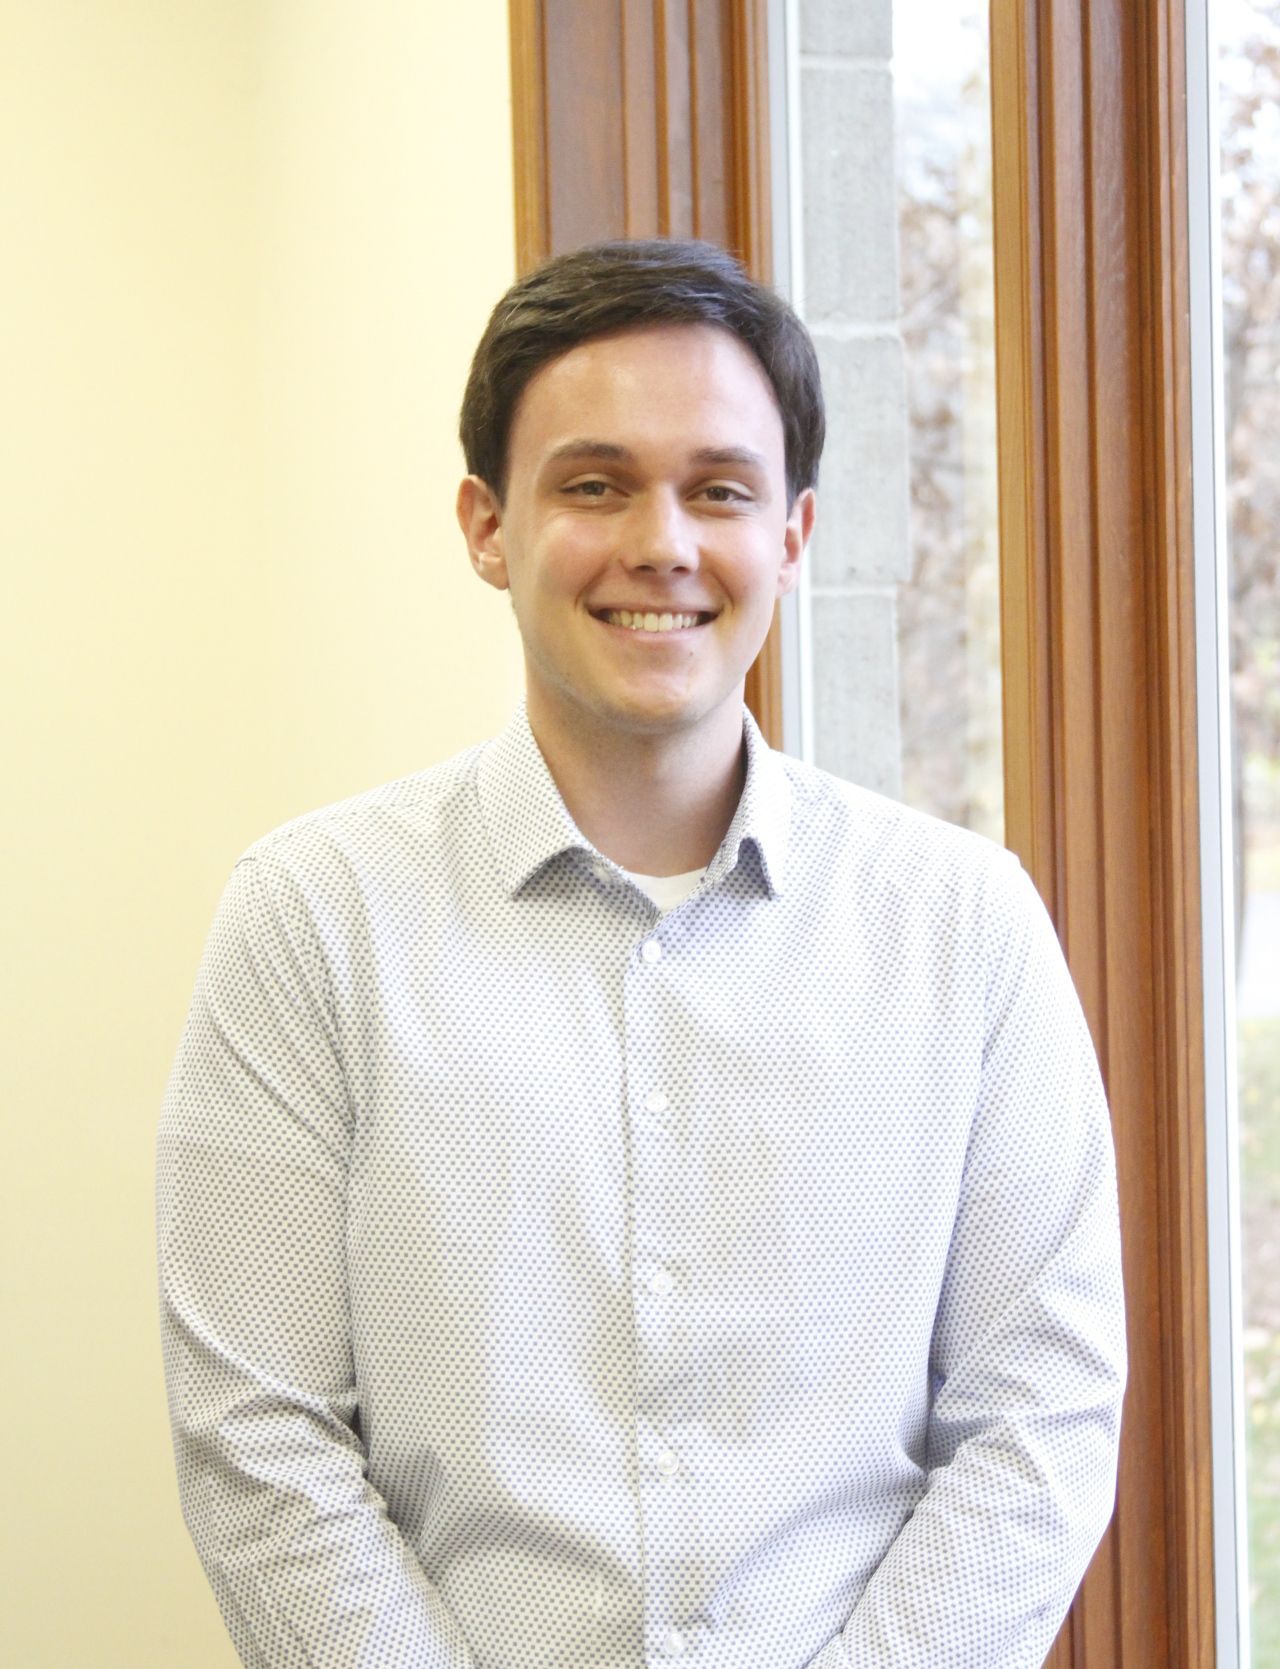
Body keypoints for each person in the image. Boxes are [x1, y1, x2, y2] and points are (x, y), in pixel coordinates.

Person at [156, 238, 1126, 1669]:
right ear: (488, 525)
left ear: (792, 535)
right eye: (595, 485)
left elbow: (1041, 1414)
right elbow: (259, 1429)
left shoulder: (967, 929)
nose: (662, 543)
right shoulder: (310, 918)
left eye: (719, 489)